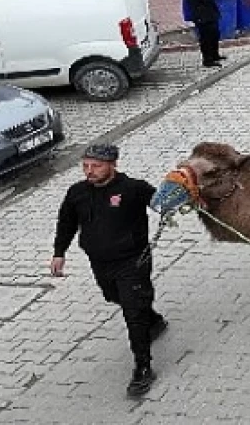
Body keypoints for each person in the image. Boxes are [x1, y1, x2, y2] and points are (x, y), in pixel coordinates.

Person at [51, 144, 167, 398]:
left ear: (113, 165)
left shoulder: (133, 189)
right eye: (85, 166)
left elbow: (161, 202)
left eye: (96, 166)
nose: (89, 171)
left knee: (132, 312)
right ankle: (154, 320)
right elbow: (66, 223)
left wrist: (177, 196)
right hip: (100, 263)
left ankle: (143, 367)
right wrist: (59, 252)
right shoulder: (77, 193)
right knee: (114, 296)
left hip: (133, 261)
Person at [183, 0, 225, 67]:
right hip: (202, 17)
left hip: (210, 15)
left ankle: (215, 55)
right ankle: (207, 60)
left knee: (214, 35)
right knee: (206, 39)